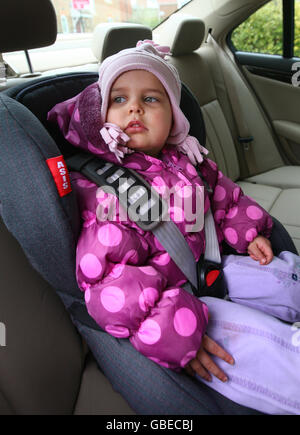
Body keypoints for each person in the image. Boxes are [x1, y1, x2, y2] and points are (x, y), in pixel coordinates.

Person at [48, 41, 300, 414]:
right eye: (119, 99)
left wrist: (250, 232)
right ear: (102, 116)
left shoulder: (184, 159)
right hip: (173, 306)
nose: (134, 107)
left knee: (286, 278)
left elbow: (223, 198)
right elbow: (109, 279)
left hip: (207, 271)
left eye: (151, 99)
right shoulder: (106, 192)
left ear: (173, 117)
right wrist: (175, 334)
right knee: (271, 351)